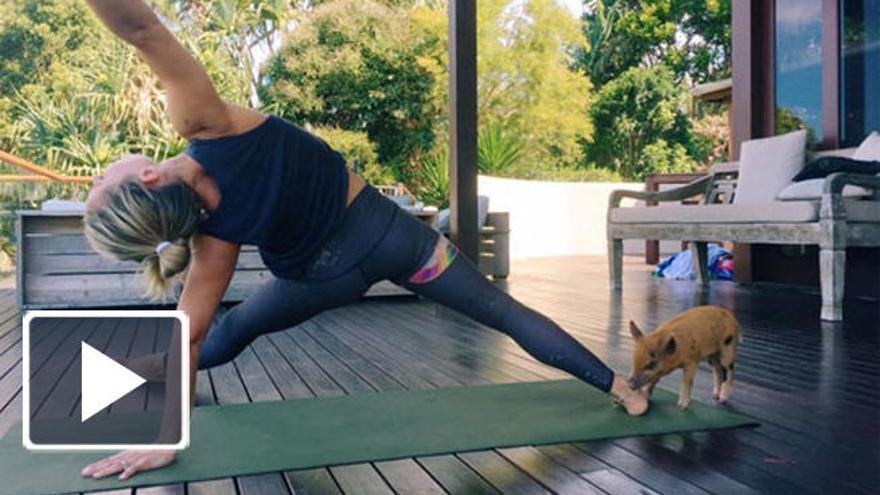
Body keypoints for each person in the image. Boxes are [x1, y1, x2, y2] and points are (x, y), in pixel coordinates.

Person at [78, 0, 648, 481]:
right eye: (105, 182)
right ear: (145, 177)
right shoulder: (207, 123)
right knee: (500, 309)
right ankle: (621, 387)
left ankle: (134, 380)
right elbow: (141, 29)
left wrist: (167, 439)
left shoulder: (211, 240)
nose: (101, 172)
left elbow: (193, 334)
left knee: (236, 328)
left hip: (321, 280)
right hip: (400, 241)